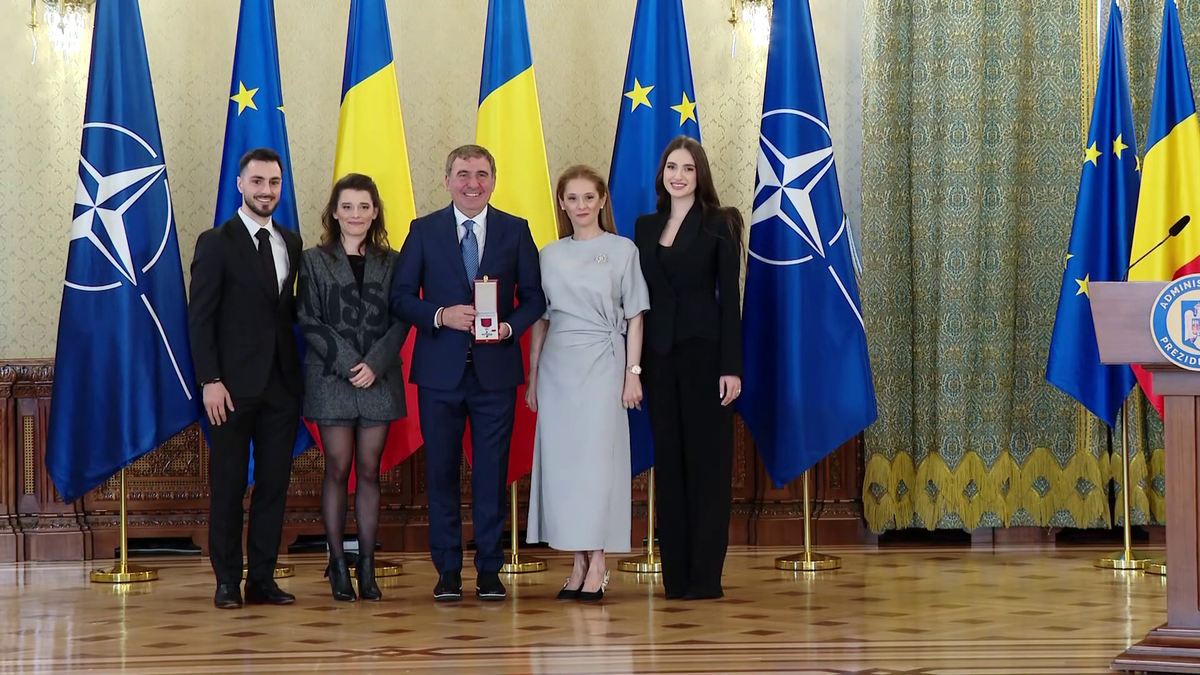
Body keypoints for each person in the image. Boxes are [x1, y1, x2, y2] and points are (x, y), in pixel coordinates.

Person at [390, 144, 546, 602]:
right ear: (447, 180)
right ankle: (448, 572)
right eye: (463, 174)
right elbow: (400, 297)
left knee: (491, 476)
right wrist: (439, 315)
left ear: (493, 180)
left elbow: (535, 298)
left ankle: (490, 570)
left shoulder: (516, 231)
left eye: (480, 174)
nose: (472, 183)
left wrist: (508, 327)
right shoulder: (423, 231)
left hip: (496, 374)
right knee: (440, 474)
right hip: (439, 375)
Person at [525, 165, 650, 603]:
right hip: (558, 366)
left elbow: (635, 315)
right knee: (566, 470)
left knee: (598, 467)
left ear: (601, 201)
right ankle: (577, 561)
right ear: (561, 203)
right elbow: (541, 320)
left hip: (604, 362)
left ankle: (598, 561)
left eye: (588, 197)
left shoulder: (622, 250)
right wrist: (533, 377)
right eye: (572, 198)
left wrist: (632, 375)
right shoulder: (548, 254)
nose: (580, 206)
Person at [188, 147, 304, 610]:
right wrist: (210, 379)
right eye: (257, 182)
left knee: (274, 486)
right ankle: (226, 582)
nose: (266, 191)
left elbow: (286, 313)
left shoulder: (290, 243)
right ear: (241, 185)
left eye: (274, 183)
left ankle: (262, 579)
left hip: (281, 386)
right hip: (229, 390)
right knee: (230, 486)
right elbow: (200, 318)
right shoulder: (215, 242)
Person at [634, 136, 744, 600]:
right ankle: (675, 577)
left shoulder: (721, 223)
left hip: (706, 358)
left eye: (687, 168)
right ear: (662, 174)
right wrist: (633, 365)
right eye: (671, 167)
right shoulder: (644, 226)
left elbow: (729, 302)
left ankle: (705, 577)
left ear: (700, 175)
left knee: (708, 467)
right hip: (659, 359)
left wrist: (731, 367)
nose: (678, 175)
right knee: (672, 465)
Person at [297, 173, 409, 602]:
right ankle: (337, 563)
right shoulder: (313, 259)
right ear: (334, 212)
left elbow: (403, 317)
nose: (356, 214)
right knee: (338, 469)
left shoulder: (393, 260)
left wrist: (375, 364)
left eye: (364, 206)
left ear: (375, 211)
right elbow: (308, 318)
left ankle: (367, 564)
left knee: (368, 470)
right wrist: (349, 365)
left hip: (379, 379)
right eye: (347, 206)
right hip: (331, 378)